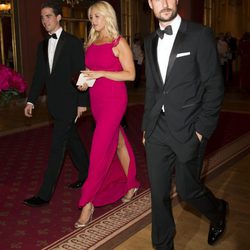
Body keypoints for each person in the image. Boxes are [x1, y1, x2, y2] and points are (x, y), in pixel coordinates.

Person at [142, 0, 228, 249]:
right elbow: (152, 89)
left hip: (190, 128)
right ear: (150, 3)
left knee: (188, 191)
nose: (165, 3)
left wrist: (201, 131)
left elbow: (214, 87)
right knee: (158, 195)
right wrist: (147, 126)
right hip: (158, 128)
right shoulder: (149, 42)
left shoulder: (200, 35)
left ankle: (217, 211)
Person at [74, 1, 140, 228]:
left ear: (107, 17)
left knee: (99, 148)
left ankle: (87, 203)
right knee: (118, 142)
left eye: (97, 16)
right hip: (97, 101)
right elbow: (92, 73)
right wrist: (86, 82)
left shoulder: (118, 42)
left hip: (114, 101)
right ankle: (131, 182)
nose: (93, 21)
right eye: (91, 17)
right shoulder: (91, 42)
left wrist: (101, 73)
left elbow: (130, 75)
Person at [23, 0, 89, 207]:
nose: (45, 21)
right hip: (54, 105)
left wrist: (82, 102)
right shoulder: (42, 46)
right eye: (42, 17)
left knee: (57, 147)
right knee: (73, 142)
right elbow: (39, 76)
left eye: (48, 16)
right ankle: (88, 173)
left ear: (59, 17)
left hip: (70, 103)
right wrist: (31, 100)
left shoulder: (72, 42)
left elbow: (81, 73)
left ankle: (44, 194)